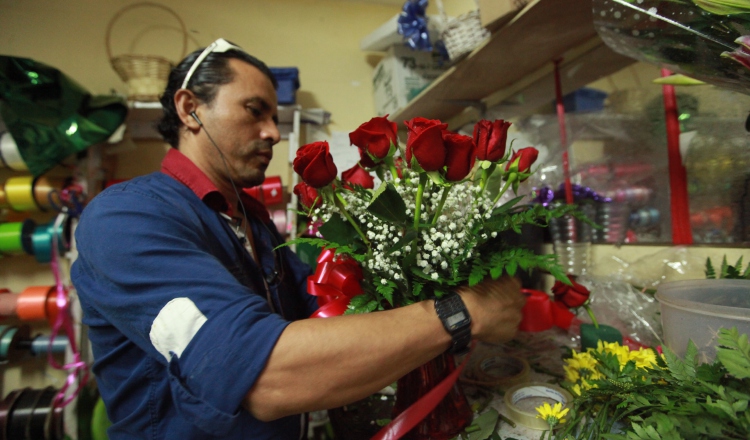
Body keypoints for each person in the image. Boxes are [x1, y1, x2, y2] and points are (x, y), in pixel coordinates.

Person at [71, 38, 526, 440]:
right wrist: (462, 313)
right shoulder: (126, 218)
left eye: (275, 115)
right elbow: (263, 377)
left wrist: (421, 266)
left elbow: (323, 315)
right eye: (254, 111)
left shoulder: (252, 221)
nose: (272, 132)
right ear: (190, 108)